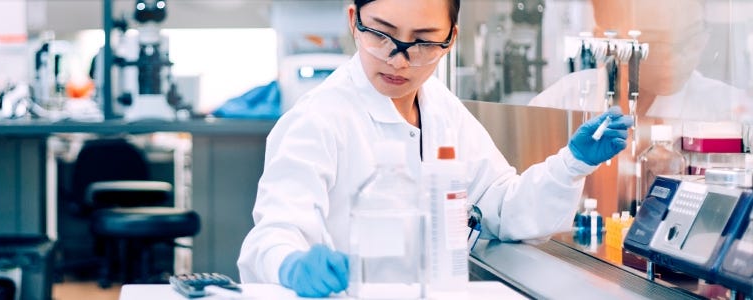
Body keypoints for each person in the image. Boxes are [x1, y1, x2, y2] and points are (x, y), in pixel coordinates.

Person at [237, 0, 633, 297]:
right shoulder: (318, 118)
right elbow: (273, 234)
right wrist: (291, 264)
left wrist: (570, 164)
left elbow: (502, 207)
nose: (399, 61)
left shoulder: (441, 108)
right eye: (380, 34)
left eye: (424, 42)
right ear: (353, 21)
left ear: (450, 40)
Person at [529, 0, 749, 122]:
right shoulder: (564, 100)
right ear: (606, 41)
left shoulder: (728, 109)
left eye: (690, 39)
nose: (674, 58)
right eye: (652, 43)